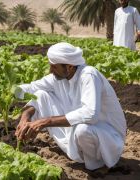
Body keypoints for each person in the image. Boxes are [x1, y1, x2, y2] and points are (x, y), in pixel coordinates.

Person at [15, 42, 126, 171]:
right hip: (79, 130)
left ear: (69, 66)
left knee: (82, 130)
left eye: (54, 67)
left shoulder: (89, 75)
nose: (51, 71)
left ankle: (98, 164)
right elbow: (31, 89)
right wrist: (24, 117)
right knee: (40, 95)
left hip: (107, 136)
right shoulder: (58, 77)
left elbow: (91, 114)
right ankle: (79, 152)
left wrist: (45, 122)